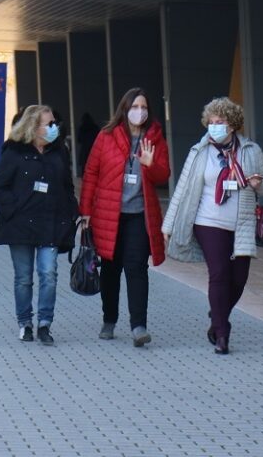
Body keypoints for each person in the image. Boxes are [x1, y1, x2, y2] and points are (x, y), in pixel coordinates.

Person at [162, 97, 263, 355]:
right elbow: (182, 190)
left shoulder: (250, 151)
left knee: (239, 279)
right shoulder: (199, 152)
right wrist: (168, 224)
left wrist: (258, 184)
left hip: (242, 223)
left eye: (219, 122)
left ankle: (217, 314)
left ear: (232, 125)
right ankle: (222, 333)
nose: (214, 127)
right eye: (210, 122)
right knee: (219, 273)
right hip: (208, 221)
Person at [79, 88, 170, 347]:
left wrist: (151, 165)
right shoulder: (106, 136)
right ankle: (109, 319)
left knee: (137, 268)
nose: (139, 111)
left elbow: (164, 176)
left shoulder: (154, 137)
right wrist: (85, 211)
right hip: (109, 214)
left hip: (139, 215)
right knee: (110, 268)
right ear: (124, 109)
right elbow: (91, 173)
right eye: (134, 106)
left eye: (143, 106)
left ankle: (139, 325)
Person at [0, 105, 78, 345]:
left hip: (50, 223)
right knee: (23, 278)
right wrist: (13, 209)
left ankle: (45, 323)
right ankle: (25, 323)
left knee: (48, 273)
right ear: (33, 126)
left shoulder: (59, 152)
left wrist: (72, 213)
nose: (53, 128)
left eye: (54, 123)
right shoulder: (14, 152)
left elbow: (67, 186)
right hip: (20, 225)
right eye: (48, 124)